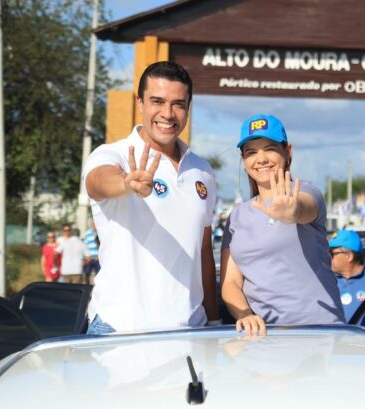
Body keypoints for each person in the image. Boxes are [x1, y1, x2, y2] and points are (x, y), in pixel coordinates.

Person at [83, 61, 219, 333]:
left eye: (178, 104)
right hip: (120, 330)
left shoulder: (202, 171)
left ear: (188, 108)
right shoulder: (116, 154)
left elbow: (203, 252)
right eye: (157, 101)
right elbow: (97, 182)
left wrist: (214, 320)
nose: (167, 114)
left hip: (190, 332)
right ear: (140, 103)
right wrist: (125, 183)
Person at [220, 114, 344, 336]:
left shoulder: (306, 192)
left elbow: (304, 208)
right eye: (251, 152)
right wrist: (245, 315)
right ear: (243, 159)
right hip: (264, 339)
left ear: (288, 152)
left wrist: (292, 212)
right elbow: (230, 283)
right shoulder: (237, 217)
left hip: (320, 334)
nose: (261, 159)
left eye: (270, 148)